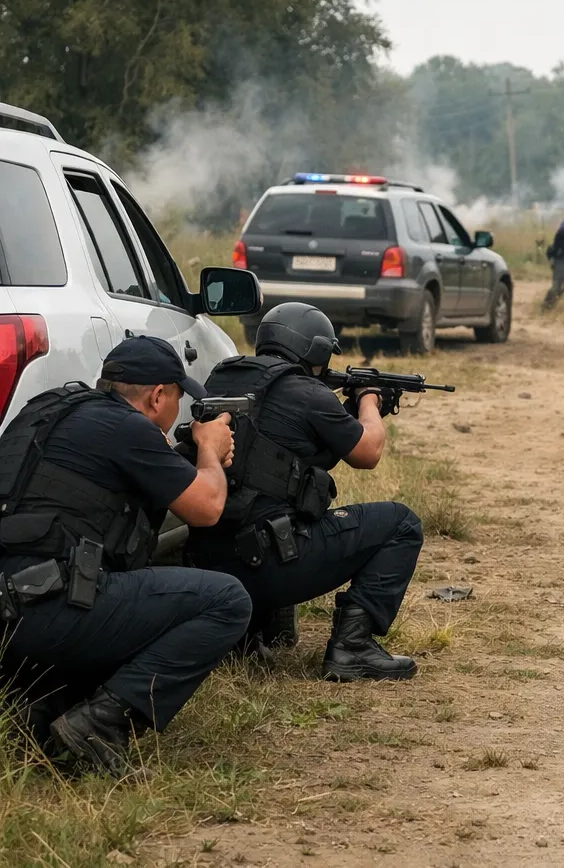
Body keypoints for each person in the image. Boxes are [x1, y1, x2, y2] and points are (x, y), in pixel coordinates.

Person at [0, 336, 250, 774]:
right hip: (44, 612)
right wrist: (209, 449)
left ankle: (37, 711)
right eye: (176, 401)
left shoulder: (48, 411)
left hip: (9, 612)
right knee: (227, 601)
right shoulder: (129, 429)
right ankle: (99, 725)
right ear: (158, 396)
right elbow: (207, 507)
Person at [183, 302, 424, 682]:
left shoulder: (224, 377)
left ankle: (242, 638)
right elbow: (368, 451)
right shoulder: (309, 393)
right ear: (314, 350)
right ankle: (353, 647)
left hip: (210, 565)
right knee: (402, 523)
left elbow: (287, 447)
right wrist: (369, 400)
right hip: (274, 563)